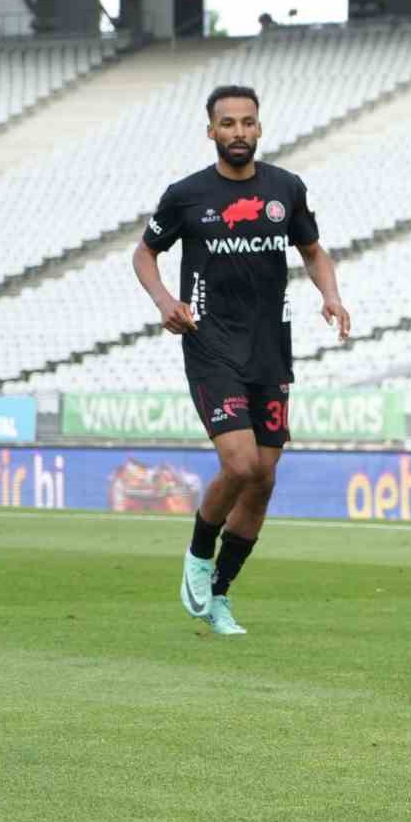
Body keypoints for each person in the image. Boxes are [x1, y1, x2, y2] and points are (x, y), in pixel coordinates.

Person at [133, 84, 351, 636]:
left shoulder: (286, 189)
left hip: (269, 351)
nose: (237, 132)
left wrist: (330, 295)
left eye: (246, 123)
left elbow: (313, 251)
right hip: (210, 346)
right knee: (241, 464)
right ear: (211, 131)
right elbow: (145, 253)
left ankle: (220, 594)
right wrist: (165, 302)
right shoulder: (186, 196)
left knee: (265, 479)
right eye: (226, 123)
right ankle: (198, 557)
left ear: (259, 128)